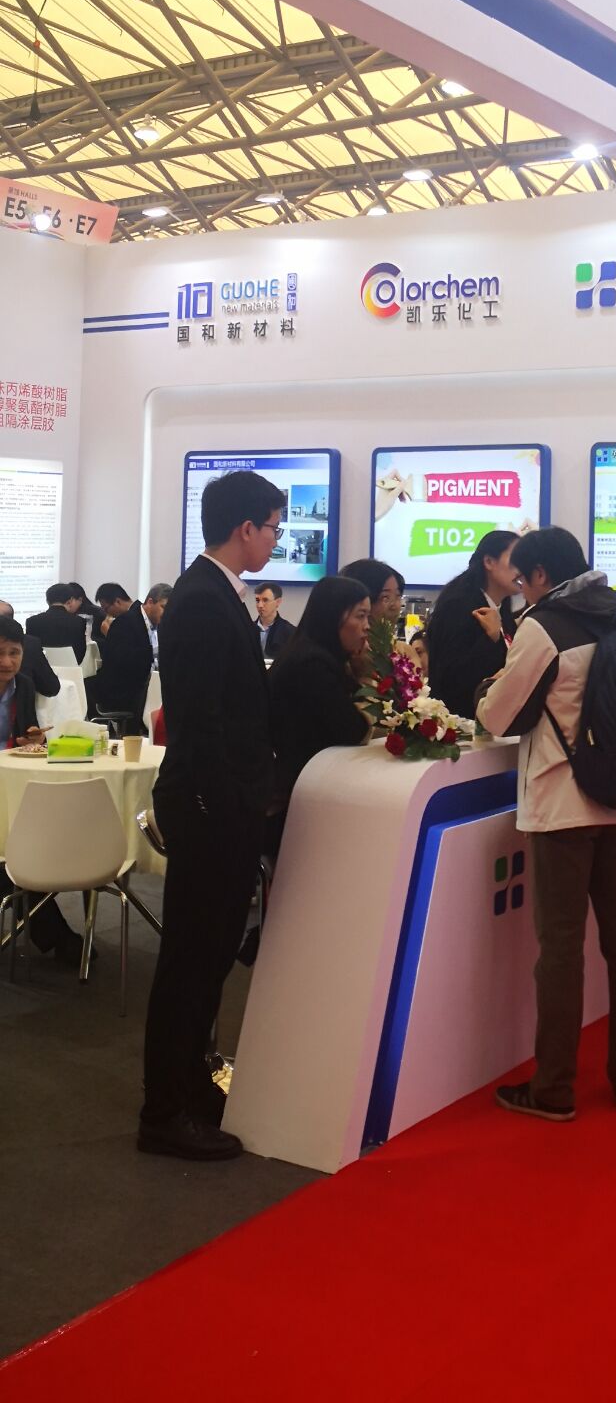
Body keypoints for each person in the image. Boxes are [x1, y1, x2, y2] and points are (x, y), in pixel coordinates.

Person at [476, 527, 616, 1122]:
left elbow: (498, 716)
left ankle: (555, 1088)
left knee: (561, 947)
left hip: (565, 805)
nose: (521, 589)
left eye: (522, 579)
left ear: (541, 575)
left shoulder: (544, 626)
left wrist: (487, 689)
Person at [139, 467, 286, 1163]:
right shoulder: (201, 599)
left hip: (223, 804)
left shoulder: (219, 593)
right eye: (273, 527)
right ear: (243, 528)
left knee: (210, 957)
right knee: (190, 961)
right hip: (209, 807)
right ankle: (165, 1111)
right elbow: (200, 723)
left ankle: (192, 1088)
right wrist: (229, 801)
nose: (276, 539)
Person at [0, 617, 86, 964]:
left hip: (11, 786)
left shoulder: (22, 685)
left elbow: (24, 733)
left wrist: (32, 738)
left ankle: (52, 933)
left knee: (27, 851)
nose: (7, 661)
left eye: (14, 653)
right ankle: (56, 936)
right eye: (0, 653)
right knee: (16, 860)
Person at [268, 577, 373, 806]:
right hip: (298, 792)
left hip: (308, 781)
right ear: (333, 616)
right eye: (360, 616)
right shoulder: (311, 664)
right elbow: (353, 730)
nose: (367, 626)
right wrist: (365, 676)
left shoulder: (312, 652)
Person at [426, 530, 521, 718]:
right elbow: (452, 675)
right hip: (456, 720)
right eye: (516, 560)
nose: (523, 569)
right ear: (489, 562)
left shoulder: (503, 608)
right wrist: (491, 639)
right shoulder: (458, 604)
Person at [96, 584, 172, 724]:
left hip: (147, 685)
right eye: (164, 607)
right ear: (150, 602)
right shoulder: (125, 623)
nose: (167, 613)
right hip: (126, 690)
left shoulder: (160, 625)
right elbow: (121, 665)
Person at [0, 599, 60, 699]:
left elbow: (50, 687)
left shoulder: (25, 685)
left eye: (13, 653)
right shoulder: (31, 643)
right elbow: (50, 687)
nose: (7, 663)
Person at [25, 584, 87, 664]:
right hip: (70, 668)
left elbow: (30, 651)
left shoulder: (32, 621)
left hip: (40, 669)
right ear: (70, 600)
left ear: (47, 601)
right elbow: (80, 653)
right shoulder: (79, 622)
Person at [253, 581, 295, 660]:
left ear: (278, 602)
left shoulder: (291, 632)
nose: (260, 605)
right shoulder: (246, 629)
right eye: (257, 600)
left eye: (265, 600)